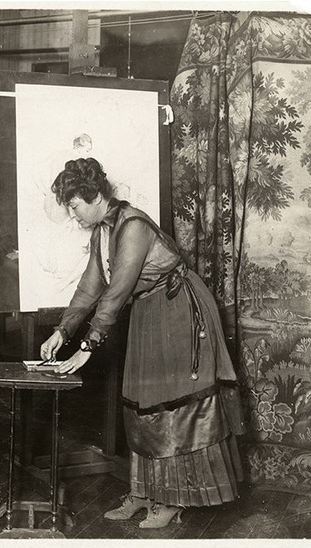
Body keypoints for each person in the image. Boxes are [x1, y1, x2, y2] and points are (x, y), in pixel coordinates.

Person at [39, 158, 245, 529]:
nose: (72, 214)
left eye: (73, 205)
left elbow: (116, 292)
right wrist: (63, 331)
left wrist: (86, 348)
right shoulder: (103, 229)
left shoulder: (132, 226)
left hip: (178, 311)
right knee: (141, 402)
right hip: (150, 313)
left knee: (172, 404)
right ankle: (144, 492)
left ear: (95, 196)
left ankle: (171, 500)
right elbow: (91, 287)